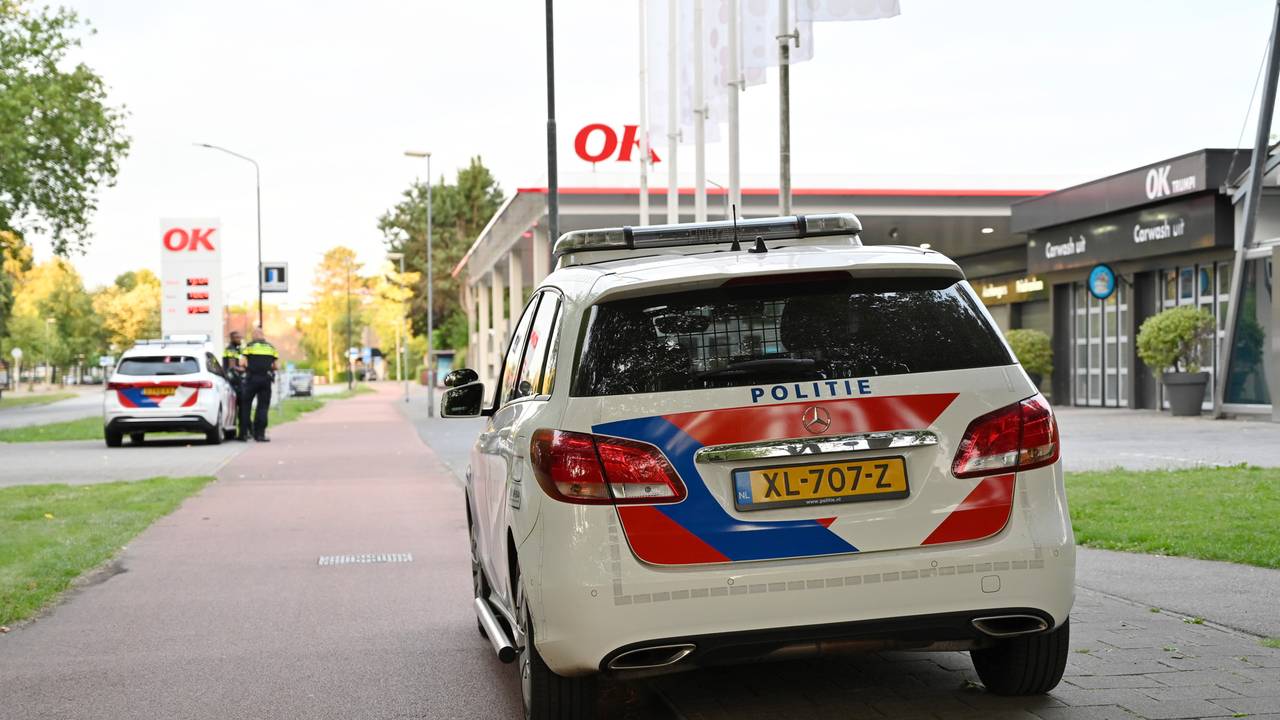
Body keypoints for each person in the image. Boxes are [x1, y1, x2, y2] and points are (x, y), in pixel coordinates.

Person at [239, 328, 279, 442]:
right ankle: (260, 435)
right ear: (263, 335)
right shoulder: (271, 348)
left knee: (246, 406)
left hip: (251, 378)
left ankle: (243, 434)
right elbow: (276, 366)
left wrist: (248, 367)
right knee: (263, 407)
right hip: (266, 380)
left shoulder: (249, 346)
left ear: (255, 335)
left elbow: (242, 363)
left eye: (252, 334)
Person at [223, 330, 246, 438]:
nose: (239, 339)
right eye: (237, 337)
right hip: (234, 382)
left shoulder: (236, 349)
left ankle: (238, 433)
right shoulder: (231, 350)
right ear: (232, 339)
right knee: (241, 407)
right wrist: (244, 369)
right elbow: (232, 366)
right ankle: (242, 433)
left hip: (233, 381)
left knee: (238, 408)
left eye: (240, 337)